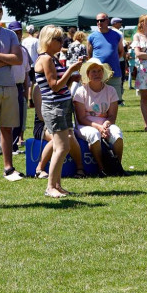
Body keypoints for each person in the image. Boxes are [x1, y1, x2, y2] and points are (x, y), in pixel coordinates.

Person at [35, 25, 84, 198]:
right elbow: (54, 86)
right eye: (58, 39)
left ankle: (57, 185)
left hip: (61, 105)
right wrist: (71, 70)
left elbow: (61, 86)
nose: (61, 42)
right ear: (48, 41)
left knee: (61, 146)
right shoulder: (46, 59)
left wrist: (71, 79)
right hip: (54, 107)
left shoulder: (52, 58)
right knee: (62, 147)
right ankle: (50, 187)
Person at [0, 0, 23, 181]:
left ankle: (8, 168)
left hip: (9, 85)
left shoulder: (10, 34)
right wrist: (6, 59)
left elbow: (18, 59)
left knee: (7, 129)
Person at [73, 58, 123, 167]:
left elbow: (112, 116)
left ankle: (117, 166)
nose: (97, 74)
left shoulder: (111, 90)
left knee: (117, 135)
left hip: (105, 124)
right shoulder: (81, 91)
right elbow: (81, 118)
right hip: (84, 125)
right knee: (94, 134)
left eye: (100, 71)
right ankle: (101, 168)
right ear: (88, 74)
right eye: (93, 71)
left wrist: (105, 125)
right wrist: (98, 128)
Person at [86, 13, 125, 101]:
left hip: (114, 72)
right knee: (98, 100)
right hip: (97, 74)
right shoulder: (91, 37)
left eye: (102, 20)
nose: (99, 22)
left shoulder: (116, 35)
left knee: (114, 101)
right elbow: (90, 55)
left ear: (107, 21)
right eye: (97, 21)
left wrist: (112, 60)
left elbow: (121, 51)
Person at [7, 21, 32, 153]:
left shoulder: (23, 50)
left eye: (19, 32)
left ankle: (14, 145)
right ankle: (6, 145)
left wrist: (27, 91)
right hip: (8, 85)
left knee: (19, 118)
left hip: (19, 87)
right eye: (15, 32)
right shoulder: (6, 49)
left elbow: (26, 72)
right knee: (8, 118)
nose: (18, 35)